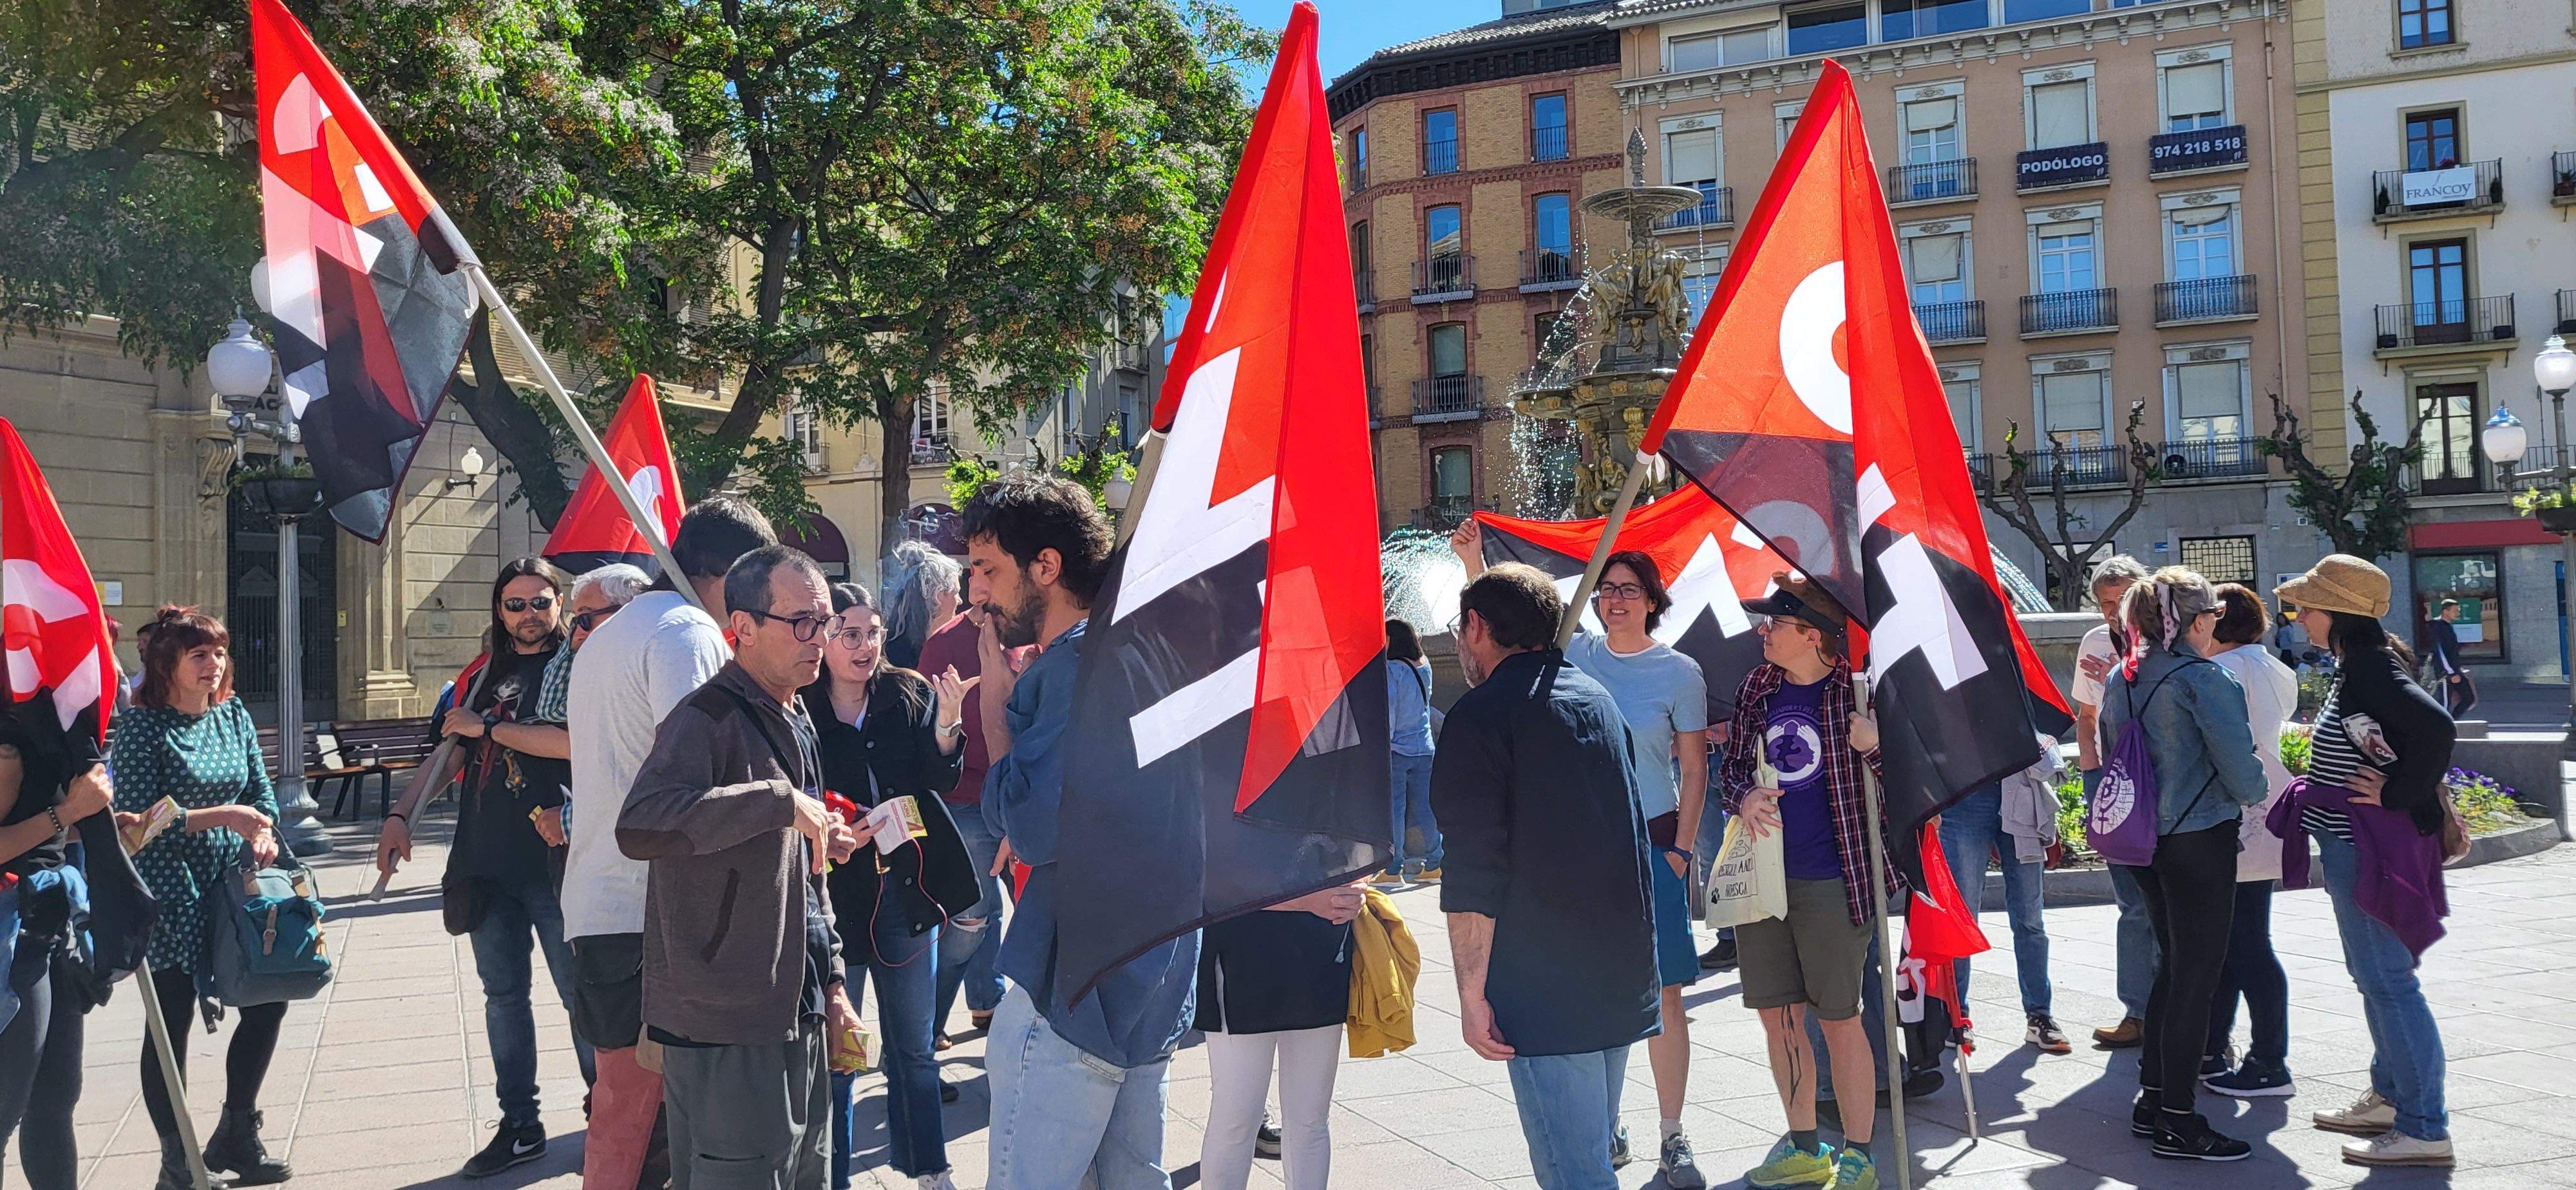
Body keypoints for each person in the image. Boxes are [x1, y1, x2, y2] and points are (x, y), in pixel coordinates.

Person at [1456, 527, 1709, 1185]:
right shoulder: (1586, 674)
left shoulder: (1676, 673)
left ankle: (1664, 1133)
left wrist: (1682, 853)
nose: (1615, 599)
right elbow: (1508, 628)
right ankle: (1612, 1129)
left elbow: (1693, 769)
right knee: (1590, 1143)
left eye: (1629, 589)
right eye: (1606, 590)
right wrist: (1476, 566)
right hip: (1601, 914)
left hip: (1615, 895)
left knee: (1578, 1167)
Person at [970, 474, 1200, 1189]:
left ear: (1046, 565)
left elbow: (1031, 829)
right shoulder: (1151, 648)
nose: (977, 592)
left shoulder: (1075, 667)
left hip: (1076, 991)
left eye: (988, 569)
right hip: (1152, 979)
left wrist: (997, 708)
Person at [618, 545, 864, 1188]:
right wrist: (779, 803)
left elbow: (806, 877)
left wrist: (834, 982)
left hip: (797, 1005)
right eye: (802, 622)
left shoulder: (794, 711)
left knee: (805, 1174)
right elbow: (641, 824)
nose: (820, 638)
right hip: (724, 1018)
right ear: (744, 628)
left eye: (826, 621)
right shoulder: (705, 716)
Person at [563, 496, 775, 1190]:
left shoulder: (613, 632)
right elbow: (700, 776)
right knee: (654, 1132)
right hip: (655, 919)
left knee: (621, 1119)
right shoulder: (687, 633)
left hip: (604, 906)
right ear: (729, 573)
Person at [1432, 562, 1658, 1190]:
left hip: (1544, 985)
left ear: (1476, 626)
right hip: (1618, 969)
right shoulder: (1595, 697)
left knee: (1576, 1174)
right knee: (1591, 1160)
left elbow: (1473, 869)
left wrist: (1471, 994)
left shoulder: (1480, 716)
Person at [379, 557, 593, 1177]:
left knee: (582, 997)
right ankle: (520, 1126)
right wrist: (401, 814)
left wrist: (490, 729)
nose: (529, 615)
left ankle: (610, 1114)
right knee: (503, 998)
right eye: (515, 604)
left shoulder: (578, 664)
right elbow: (450, 752)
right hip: (485, 859)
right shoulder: (481, 673)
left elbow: (578, 742)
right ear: (499, 611)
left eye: (540, 602)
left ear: (559, 603)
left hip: (557, 859)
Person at [2275, 556, 2457, 1169]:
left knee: (2388, 983)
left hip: (2370, 846)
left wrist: (2397, 791)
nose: (2299, 616)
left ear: (2336, 612)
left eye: (2306, 607)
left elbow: (2436, 729)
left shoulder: (2373, 667)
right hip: (2357, 843)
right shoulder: (2361, 663)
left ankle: (2424, 1128)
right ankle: (2391, 1098)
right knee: (2377, 978)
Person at [1718, 574, 1895, 1190]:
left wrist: (1875, 747)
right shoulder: (1758, 687)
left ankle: (1860, 1157)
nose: (1763, 632)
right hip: (1764, 880)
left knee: (1840, 1020)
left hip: (1835, 880)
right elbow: (1732, 769)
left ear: (1813, 635)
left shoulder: (1861, 694)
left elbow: (1913, 784)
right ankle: (1803, 1148)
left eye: (1775, 624)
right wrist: (1743, 796)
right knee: (1779, 1018)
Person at [111, 607, 293, 1189]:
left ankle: (237, 1131)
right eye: (199, 655)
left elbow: (261, 792)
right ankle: (179, 1160)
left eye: (218, 653)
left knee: (268, 997)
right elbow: (135, 825)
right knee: (172, 1020)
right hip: (171, 889)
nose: (213, 665)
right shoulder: (144, 728)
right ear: (168, 664)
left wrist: (263, 831)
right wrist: (225, 816)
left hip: (233, 883)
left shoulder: (232, 715)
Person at [804, 581, 974, 1190]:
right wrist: (830, 827)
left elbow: (939, 778)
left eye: (872, 633)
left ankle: (930, 1168)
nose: (864, 646)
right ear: (823, 638)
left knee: (914, 1048)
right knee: (841, 1052)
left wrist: (948, 724)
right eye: (849, 634)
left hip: (906, 891)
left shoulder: (907, 692)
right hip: (834, 900)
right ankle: (834, 1177)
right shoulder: (801, 707)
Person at [2098, 567, 2269, 1162]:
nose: (2214, 625)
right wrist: (2258, 789)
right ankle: (2177, 1119)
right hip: (2199, 839)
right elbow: (2243, 773)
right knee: (2197, 977)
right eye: (2212, 615)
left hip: (2142, 840)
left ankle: (2152, 1102)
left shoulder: (2122, 676)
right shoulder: (2204, 678)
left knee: (2172, 967)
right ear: (2195, 621)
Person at [0, 704, 116, 1189]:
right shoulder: (9, 736)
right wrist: (67, 813)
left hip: (48, 927)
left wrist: (97, 826)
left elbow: (43, 833)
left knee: (55, 1099)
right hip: (13, 939)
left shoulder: (46, 721)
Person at [1195, 882, 1363, 1190]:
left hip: (1321, 950)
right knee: (1237, 1118)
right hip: (1241, 955)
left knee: (1310, 1120)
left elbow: (1359, 860)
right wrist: (1308, 900)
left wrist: (1356, 889)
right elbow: (1213, 878)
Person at [2202, 583, 2301, 1098]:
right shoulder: (2271, 666)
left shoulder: (2223, 670)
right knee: (2241, 937)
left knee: (2241, 944)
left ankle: (2267, 1059)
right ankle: (2216, 1047)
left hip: (2235, 810)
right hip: (2268, 807)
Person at [914, 566, 1019, 1046]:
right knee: (970, 919)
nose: (979, 584)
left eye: (991, 570)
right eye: (975, 570)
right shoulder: (944, 643)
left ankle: (989, 1002)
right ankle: (923, 1028)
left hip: (1024, 796)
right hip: (968, 801)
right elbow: (927, 729)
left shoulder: (1033, 634)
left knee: (1031, 911)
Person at [2071, 554, 2159, 1048]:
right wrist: (2092, 779)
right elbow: (2086, 717)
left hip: (2164, 785)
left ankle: (2181, 1014)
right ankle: (2138, 1012)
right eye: (2105, 603)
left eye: (2122, 600)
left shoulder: (2168, 640)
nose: (2113, 611)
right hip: (2115, 782)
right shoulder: (2095, 643)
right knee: (2131, 902)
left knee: (2170, 902)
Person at [1938, 742, 2070, 1056]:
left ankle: (2040, 1014)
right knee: (1962, 918)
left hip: (2019, 786)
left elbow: (2042, 721)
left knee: (2030, 918)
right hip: (1965, 793)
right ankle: (1957, 1016)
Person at [1377, 617, 1441, 886]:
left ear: (1391, 639)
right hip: (1424, 749)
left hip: (1397, 751)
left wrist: (1382, 743)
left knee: (1395, 811)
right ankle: (1436, 864)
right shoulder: (1424, 666)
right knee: (1427, 808)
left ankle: (1394, 870)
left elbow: (1390, 712)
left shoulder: (1393, 670)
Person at [881, 540, 963, 674]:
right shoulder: (901, 658)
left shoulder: (891, 647)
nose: (960, 601)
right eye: (956, 593)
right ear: (938, 595)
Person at [2423, 600, 2476, 719]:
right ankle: (2442, 725)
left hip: (2454, 670)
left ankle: (2452, 722)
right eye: (2455, 610)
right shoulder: (2437, 627)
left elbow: (2451, 651)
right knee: (2445, 703)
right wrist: (2450, 673)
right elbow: (2440, 651)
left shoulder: (2448, 626)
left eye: (2459, 610)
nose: (2458, 613)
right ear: (2445, 611)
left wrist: (2457, 669)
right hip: (2445, 673)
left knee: (2469, 698)